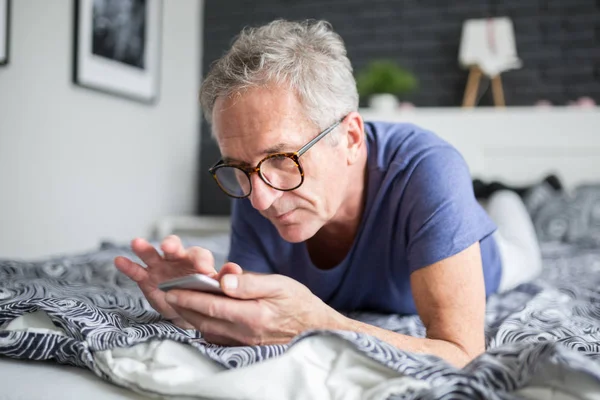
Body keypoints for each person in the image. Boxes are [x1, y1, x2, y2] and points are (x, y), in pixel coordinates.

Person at [114, 19, 542, 368]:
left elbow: (462, 353)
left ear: (351, 137)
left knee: (513, 217)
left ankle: (503, 195)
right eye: (240, 168)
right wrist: (190, 304)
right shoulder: (255, 183)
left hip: (502, 258)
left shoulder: (428, 167)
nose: (259, 201)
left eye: (282, 157)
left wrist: (319, 323)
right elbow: (256, 316)